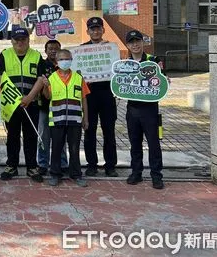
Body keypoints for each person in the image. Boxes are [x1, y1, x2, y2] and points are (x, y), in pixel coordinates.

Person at [0, 27, 45, 182]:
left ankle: (31, 167)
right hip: (12, 105)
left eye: (23, 39)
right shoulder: (5, 54)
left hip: (32, 104)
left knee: (31, 136)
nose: (20, 42)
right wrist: (16, 98)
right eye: (17, 40)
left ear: (28, 40)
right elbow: (0, 77)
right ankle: (11, 166)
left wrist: (29, 97)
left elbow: (41, 79)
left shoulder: (37, 56)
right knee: (12, 136)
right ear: (12, 40)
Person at [42, 49, 90, 187]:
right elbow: (47, 96)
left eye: (67, 58)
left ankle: (76, 174)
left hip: (75, 119)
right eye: (62, 59)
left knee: (74, 148)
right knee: (56, 148)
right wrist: (45, 87)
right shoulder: (51, 78)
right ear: (57, 62)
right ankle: (55, 174)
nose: (65, 61)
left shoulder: (78, 78)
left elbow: (84, 99)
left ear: (71, 60)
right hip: (57, 119)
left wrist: (85, 118)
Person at [124, 30, 165, 190]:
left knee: (154, 143)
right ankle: (136, 172)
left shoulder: (154, 61)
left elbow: (163, 81)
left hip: (150, 109)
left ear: (143, 42)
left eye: (137, 41)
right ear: (127, 45)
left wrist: (164, 80)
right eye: (131, 42)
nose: (135, 44)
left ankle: (156, 175)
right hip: (132, 109)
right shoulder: (125, 64)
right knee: (135, 143)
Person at [82, 17, 118, 177]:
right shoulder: (81, 50)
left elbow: (117, 71)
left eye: (98, 28)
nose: (95, 31)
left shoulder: (111, 49)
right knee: (89, 130)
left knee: (109, 131)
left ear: (103, 30)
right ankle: (91, 164)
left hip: (107, 95)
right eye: (92, 29)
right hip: (89, 95)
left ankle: (110, 165)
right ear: (87, 31)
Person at [36, 40, 68, 176]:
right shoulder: (42, 65)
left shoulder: (65, 66)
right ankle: (43, 163)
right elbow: (39, 81)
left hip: (62, 107)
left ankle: (63, 163)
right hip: (44, 107)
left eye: (56, 48)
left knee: (61, 137)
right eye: (50, 49)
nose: (53, 51)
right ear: (45, 51)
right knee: (43, 136)